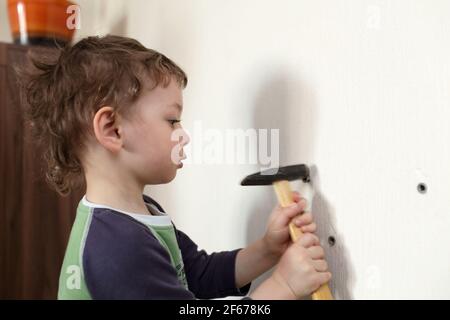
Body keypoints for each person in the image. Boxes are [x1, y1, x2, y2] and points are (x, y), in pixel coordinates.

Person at [19, 35, 331, 300]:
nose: (184, 134)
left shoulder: (142, 213)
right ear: (113, 129)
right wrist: (283, 286)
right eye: (172, 120)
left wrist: (266, 249)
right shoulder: (117, 249)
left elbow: (198, 274)